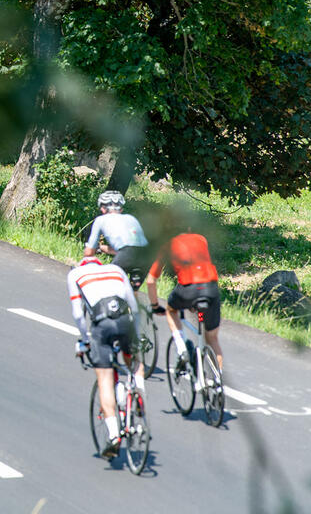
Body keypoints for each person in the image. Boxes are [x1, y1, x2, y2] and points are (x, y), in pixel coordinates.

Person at [67, 253, 144, 460]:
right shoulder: (115, 270)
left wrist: (85, 339)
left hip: (103, 325)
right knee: (134, 359)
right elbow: (134, 307)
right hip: (125, 319)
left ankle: (113, 435)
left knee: (104, 379)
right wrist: (136, 335)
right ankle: (138, 394)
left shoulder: (75, 274)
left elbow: (77, 313)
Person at [146, 230, 223, 371]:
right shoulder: (201, 238)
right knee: (212, 338)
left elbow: (151, 280)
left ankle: (182, 349)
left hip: (188, 288)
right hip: (210, 288)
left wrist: (155, 305)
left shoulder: (167, 245)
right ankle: (218, 382)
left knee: (171, 310)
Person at [84, 191, 150, 290]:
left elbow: (89, 252)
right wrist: (101, 248)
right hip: (146, 257)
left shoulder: (100, 220)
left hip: (127, 255)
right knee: (132, 292)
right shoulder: (131, 219)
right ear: (121, 208)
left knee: (106, 287)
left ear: (103, 208)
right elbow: (131, 248)